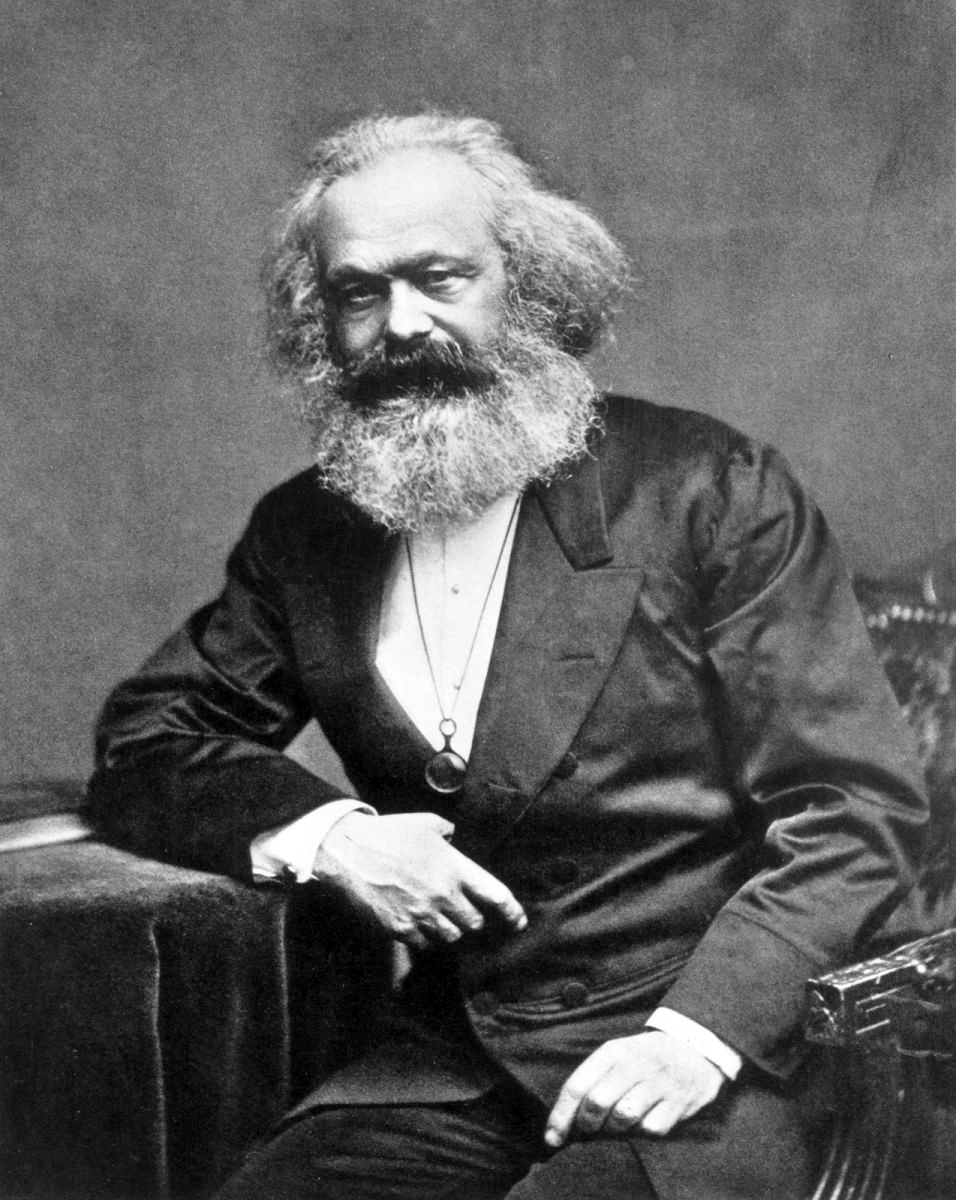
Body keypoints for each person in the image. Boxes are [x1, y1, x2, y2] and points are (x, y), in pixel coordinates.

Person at [89, 113, 928, 1200]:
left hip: (710, 1054)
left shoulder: (707, 490)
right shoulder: (306, 531)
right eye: (357, 292)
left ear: (526, 286)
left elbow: (853, 810)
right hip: (460, 1057)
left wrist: (696, 1037)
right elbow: (153, 738)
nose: (401, 323)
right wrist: (338, 839)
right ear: (320, 321)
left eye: (439, 277)